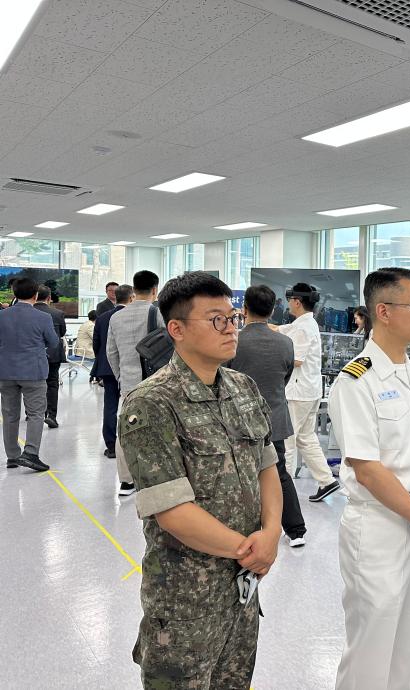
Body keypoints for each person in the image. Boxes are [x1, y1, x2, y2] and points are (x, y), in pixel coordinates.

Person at [119, 271, 282, 690]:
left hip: (242, 591)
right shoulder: (152, 403)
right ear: (176, 329)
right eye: (216, 320)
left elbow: (267, 466)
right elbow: (172, 511)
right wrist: (252, 550)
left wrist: (272, 532)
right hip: (185, 600)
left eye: (233, 318)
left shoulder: (243, 387)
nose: (231, 329)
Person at [328, 267, 410, 690]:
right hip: (380, 528)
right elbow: (368, 470)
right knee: (372, 645)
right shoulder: (356, 381)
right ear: (383, 312)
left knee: (408, 640)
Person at [227, 284, 307, 548]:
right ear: (273, 310)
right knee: (279, 472)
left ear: (244, 309)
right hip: (274, 417)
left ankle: (241, 531)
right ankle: (296, 531)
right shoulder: (285, 343)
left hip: (238, 420)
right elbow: (285, 377)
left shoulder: (234, 340)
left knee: (238, 475)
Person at [278, 282, 340, 501]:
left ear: (297, 301)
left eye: (290, 300)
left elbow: (297, 360)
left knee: (288, 441)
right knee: (306, 438)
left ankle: (283, 492)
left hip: (298, 392)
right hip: (309, 391)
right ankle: (327, 481)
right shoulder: (305, 323)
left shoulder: (303, 328)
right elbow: (282, 330)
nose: (288, 304)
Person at [108, 270, 164, 496]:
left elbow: (111, 353)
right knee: (158, 429)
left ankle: (126, 481)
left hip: (129, 384)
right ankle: (157, 476)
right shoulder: (158, 314)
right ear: (155, 289)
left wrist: (121, 377)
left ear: (133, 289)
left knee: (126, 430)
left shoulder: (116, 317)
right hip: (156, 382)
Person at [0, 277, 58, 472]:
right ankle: (31, 453)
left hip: (5, 371)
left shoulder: (2, 316)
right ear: (35, 295)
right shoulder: (43, 318)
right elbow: (53, 342)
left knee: (9, 414)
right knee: (35, 414)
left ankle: (12, 456)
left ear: (14, 293)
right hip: (34, 371)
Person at [93, 284, 133, 460]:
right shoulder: (132, 317)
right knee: (131, 405)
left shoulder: (102, 318)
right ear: (131, 297)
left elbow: (96, 344)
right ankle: (131, 444)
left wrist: (103, 361)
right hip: (130, 367)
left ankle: (111, 446)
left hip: (107, 368)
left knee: (109, 406)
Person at [33, 286, 67, 429]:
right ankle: (52, 416)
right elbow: (62, 332)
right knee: (52, 384)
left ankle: (32, 413)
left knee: (33, 384)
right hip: (53, 354)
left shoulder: (29, 313)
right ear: (49, 298)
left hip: (33, 355)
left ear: (35, 296)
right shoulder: (58, 313)